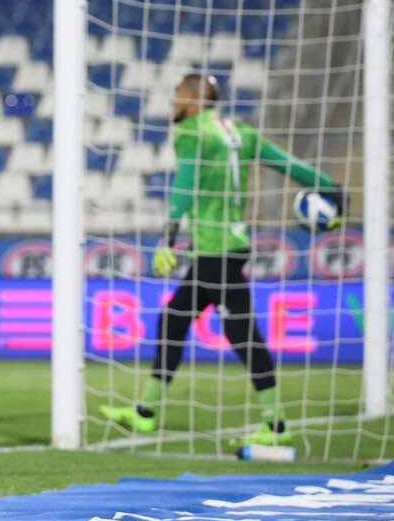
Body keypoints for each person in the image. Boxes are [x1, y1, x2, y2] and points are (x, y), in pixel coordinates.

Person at [101, 72, 345, 446]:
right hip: (226, 246)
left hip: (216, 250)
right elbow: (285, 161)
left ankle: (276, 425)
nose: (173, 102)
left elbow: (186, 181)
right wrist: (328, 185)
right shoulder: (238, 131)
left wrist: (168, 235)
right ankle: (144, 412)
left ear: (195, 99)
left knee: (240, 333)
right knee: (174, 319)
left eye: (178, 94)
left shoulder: (191, 132)